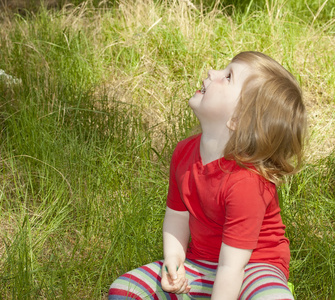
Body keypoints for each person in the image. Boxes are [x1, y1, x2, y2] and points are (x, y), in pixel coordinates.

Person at [108, 51, 307, 299]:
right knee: (124, 290)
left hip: (252, 268)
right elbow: (177, 216)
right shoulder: (184, 153)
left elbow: (232, 266)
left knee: (272, 298)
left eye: (228, 76)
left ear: (237, 119)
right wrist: (174, 260)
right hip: (201, 264)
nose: (212, 73)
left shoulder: (247, 182)